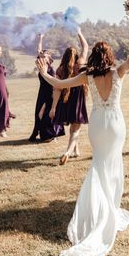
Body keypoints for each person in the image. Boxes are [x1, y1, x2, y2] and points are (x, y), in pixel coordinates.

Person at [36, 14, 129, 256]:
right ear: (109, 56)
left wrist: (43, 72)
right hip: (116, 124)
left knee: (99, 166)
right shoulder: (119, 71)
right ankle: (109, 210)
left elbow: (59, 83)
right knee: (113, 165)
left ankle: (101, 212)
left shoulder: (87, 77)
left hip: (97, 125)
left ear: (94, 58)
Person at [51, 30, 89, 162]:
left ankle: (75, 150)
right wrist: (79, 32)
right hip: (78, 98)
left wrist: (53, 107)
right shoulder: (81, 64)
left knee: (73, 127)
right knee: (76, 128)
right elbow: (85, 47)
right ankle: (68, 152)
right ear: (76, 55)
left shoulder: (60, 69)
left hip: (65, 99)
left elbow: (56, 89)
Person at [29, 34, 63, 142]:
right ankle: (41, 133)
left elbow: (54, 82)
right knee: (39, 113)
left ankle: (52, 134)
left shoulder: (51, 69)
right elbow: (39, 50)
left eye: (44, 57)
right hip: (42, 92)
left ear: (49, 59)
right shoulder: (40, 66)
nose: (42, 58)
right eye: (41, 56)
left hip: (50, 93)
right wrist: (40, 38)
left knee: (45, 113)